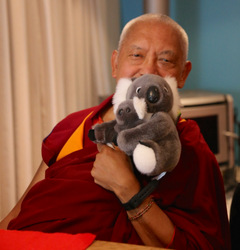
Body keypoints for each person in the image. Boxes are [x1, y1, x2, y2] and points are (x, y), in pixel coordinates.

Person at [0, 14, 231, 249]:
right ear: (115, 63)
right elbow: (17, 214)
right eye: (136, 55)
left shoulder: (188, 147)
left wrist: (129, 190)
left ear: (183, 74)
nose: (148, 70)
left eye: (165, 60)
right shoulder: (75, 125)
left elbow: (200, 245)